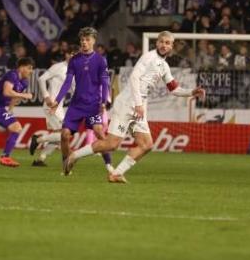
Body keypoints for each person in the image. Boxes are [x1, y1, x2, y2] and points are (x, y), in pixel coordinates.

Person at [65, 31, 206, 183]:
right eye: (162, 42)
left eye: (167, 43)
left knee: (146, 145)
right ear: (157, 43)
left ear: (171, 46)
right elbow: (134, 77)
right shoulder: (149, 57)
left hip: (139, 107)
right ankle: (73, 156)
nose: (164, 45)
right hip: (128, 103)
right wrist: (138, 104)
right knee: (111, 144)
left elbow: (174, 89)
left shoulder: (164, 66)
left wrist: (192, 92)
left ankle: (116, 174)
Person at [49, 27, 113, 174]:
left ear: (94, 41)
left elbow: (105, 83)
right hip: (76, 105)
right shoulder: (74, 60)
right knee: (64, 135)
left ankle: (110, 167)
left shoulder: (100, 60)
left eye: (87, 39)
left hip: (93, 105)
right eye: (82, 40)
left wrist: (103, 102)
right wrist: (57, 101)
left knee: (99, 133)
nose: (84, 42)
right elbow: (67, 82)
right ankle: (66, 166)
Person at [29, 45, 78, 166]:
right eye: (69, 53)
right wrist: (46, 96)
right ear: (65, 54)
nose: (72, 56)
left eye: (74, 54)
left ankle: (40, 159)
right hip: (50, 104)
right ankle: (38, 139)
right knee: (65, 133)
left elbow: (73, 90)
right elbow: (41, 79)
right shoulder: (58, 67)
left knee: (61, 137)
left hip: (59, 107)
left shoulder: (75, 71)